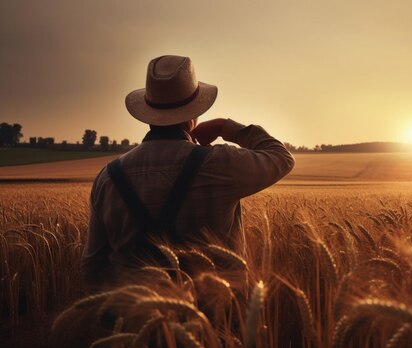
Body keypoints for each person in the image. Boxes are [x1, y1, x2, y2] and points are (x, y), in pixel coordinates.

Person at [80, 55, 295, 289]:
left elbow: (93, 267)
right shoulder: (220, 164)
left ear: (148, 112)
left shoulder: (109, 177)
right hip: (216, 318)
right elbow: (281, 157)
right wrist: (226, 127)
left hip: (135, 319)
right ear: (194, 115)